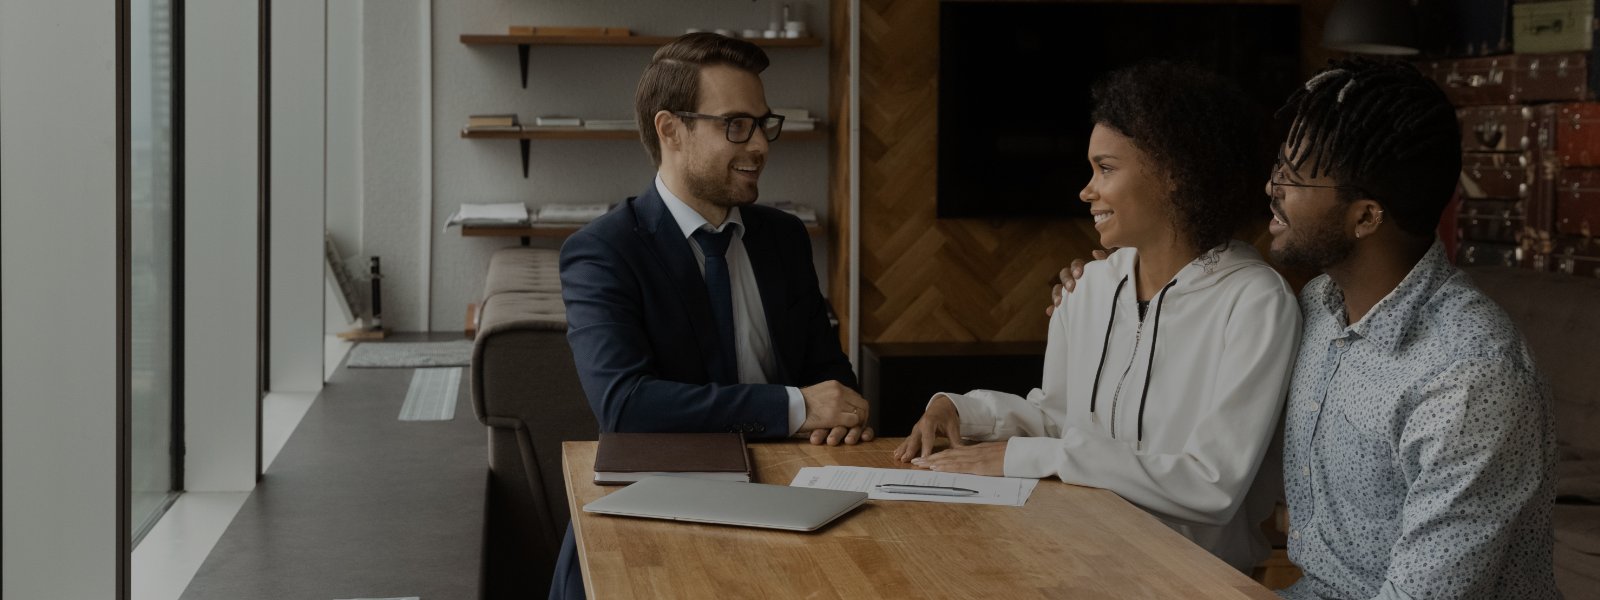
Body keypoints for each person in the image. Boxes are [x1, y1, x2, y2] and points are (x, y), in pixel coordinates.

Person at [1053, 59, 1558, 599]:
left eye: (1294, 177)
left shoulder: (1470, 379)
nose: (1271, 187)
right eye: (1279, 165)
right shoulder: (1318, 305)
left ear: (1365, 217)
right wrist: (1103, 291)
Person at [893, 62, 1303, 572]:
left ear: (1175, 173)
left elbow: (1211, 485)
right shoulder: (1088, 288)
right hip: (1079, 557)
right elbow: (1060, 419)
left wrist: (1030, 457)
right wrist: (962, 412)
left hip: (1196, 581)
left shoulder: (1256, 303)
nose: (1087, 190)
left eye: (1105, 169)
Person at [552, 33, 872, 599]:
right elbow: (625, 404)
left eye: (763, 125)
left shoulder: (783, 238)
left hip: (793, 510)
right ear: (670, 130)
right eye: (736, 125)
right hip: (653, 517)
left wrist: (844, 411)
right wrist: (796, 407)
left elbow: (828, 373)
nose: (760, 146)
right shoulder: (604, 251)